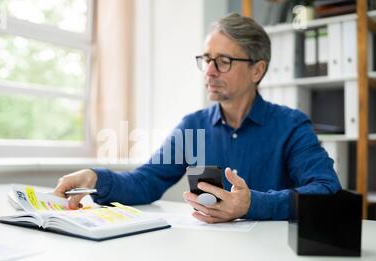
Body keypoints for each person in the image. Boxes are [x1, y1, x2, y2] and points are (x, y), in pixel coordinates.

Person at [54, 13, 341, 223]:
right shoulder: (193, 126)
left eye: (223, 61)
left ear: (257, 70)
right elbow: (145, 182)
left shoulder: (291, 126)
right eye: (206, 60)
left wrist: (253, 204)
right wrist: (95, 178)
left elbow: (326, 191)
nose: (210, 71)